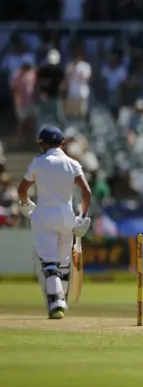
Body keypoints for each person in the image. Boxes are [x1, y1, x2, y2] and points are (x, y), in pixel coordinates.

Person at [17, 126, 92, 319]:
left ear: (43, 144)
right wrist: (83, 217)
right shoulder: (72, 163)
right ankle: (61, 301)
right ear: (62, 143)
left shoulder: (39, 162)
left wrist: (25, 204)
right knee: (64, 263)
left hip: (43, 216)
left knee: (50, 264)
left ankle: (56, 304)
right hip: (66, 217)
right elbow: (86, 192)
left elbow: (22, 189)